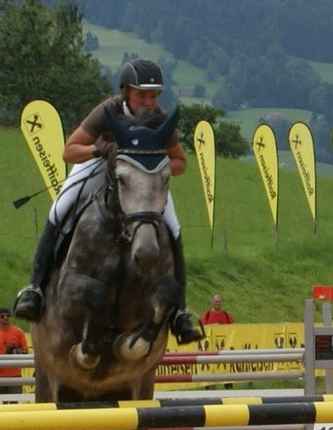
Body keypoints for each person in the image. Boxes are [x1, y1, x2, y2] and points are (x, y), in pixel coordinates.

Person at [12, 58, 203, 344]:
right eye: (142, 95)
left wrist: (154, 167)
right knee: (60, 208)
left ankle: (179, 312)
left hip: (142, 178)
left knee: (173, 226)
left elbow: (180, 163)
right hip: (100, 164)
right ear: (125, 91)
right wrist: (100, 149)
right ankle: (35, 289)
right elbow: (69, 151)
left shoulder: (161, 120)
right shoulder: (108, 110)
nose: (149, 102)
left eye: (154, 95)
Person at [0, 307, 28, 395]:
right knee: (0, 401)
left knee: (15, 400)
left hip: (15, 373)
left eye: (8, 315)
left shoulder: (18, 332)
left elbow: (26, 351)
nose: (6, 318)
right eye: (2, 316)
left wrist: (16, 351)